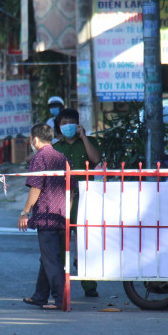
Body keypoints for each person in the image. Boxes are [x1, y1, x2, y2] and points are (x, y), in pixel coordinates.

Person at [19, 123, 70, 309]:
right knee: (48, 257)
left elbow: (36, 187)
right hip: (62, 215)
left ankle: (60, 300)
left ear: (35, 139)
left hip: (46, 215)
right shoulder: (61, 157)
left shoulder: (39, 158)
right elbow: (71, 188)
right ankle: (40, 296)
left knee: (51, 259)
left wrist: (25, 212)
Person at [53, 107, 103, 298]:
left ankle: (89, 285)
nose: (67, 126)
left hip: (85, 199)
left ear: (78, 124)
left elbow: (96, 160)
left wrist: (84, 138)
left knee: (85, 242)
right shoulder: (56, 148)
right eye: (63, 123)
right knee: (62, 243)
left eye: (70, 122)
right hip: (63, 199)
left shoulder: (88, 142)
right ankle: (61, 285)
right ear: (59, 126)